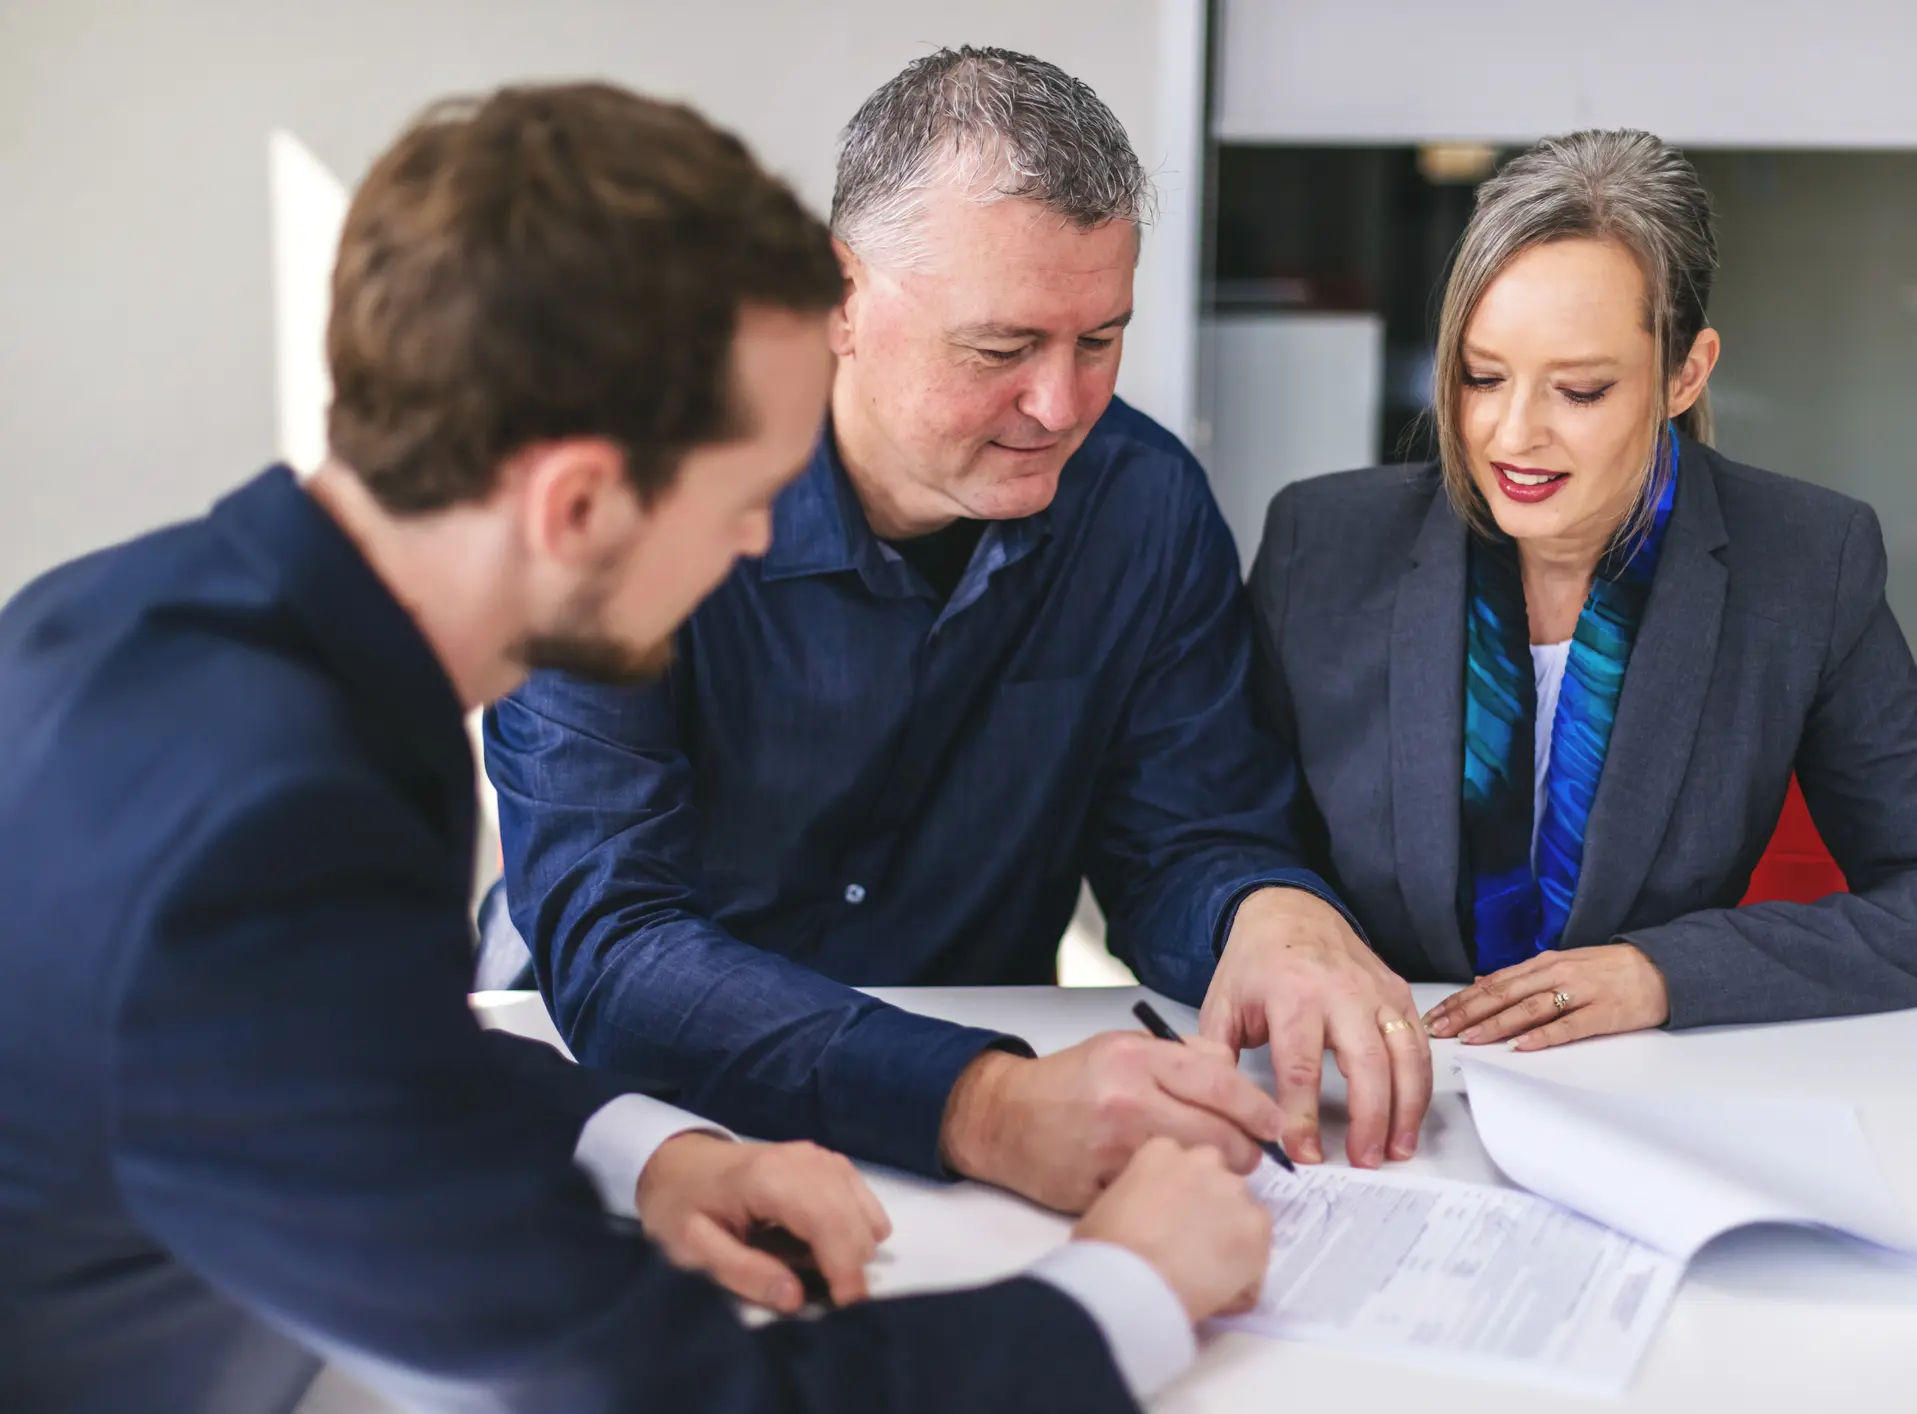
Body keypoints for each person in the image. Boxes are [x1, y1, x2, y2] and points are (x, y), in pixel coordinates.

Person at [0, 83, 1272, 1414]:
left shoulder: (134, 621)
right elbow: (651, 1392)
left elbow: (333, 1050)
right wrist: (1122, 1289)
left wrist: (643, 1148)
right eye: (738, 498)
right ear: (579, 502)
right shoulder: (266, 825)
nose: (761, 544)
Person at [485, 47, 1431, 1207]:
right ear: (839, 296)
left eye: (1098, 340)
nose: (1061, 406)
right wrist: (976, 1102)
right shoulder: (617, 495)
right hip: (625, 1114)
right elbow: (614, 938)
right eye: (1000, 350)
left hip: (979, 1135)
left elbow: (1185, 837)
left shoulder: (1139, 503)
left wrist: (1268, 915)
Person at [1250, 129, 1917, 1052]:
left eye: (1580, 390)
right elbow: (1214, 846)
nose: (1512, 434)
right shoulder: (1319, 546)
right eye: (1482, 377)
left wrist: (1665, 971)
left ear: (1686, 373)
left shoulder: (1805, 563)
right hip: (1368, 1081)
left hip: (1639, 1095)